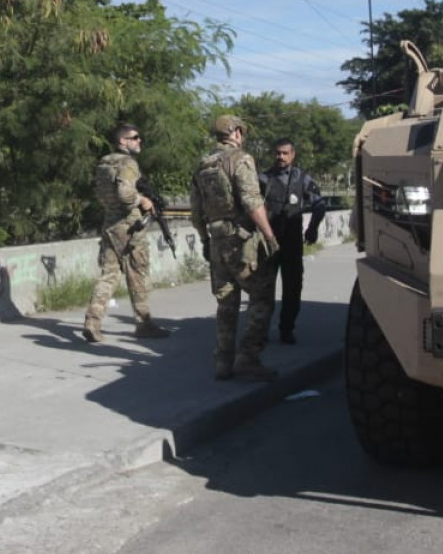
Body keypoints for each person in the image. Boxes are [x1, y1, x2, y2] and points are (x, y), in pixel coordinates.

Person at [190, 114, 280, 381]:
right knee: (261, 298)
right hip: (242, 242)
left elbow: (196, 211)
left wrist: (205, 240)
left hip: (216, 240)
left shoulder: (203, 165)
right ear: (236, 132)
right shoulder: (241, 159)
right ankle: (248, 357)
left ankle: (223, 360)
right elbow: (252, 201)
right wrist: (269, 235)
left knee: (226, 303)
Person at [82, 122, 172, 344]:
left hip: (110, 223)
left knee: (108, 274)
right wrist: (142, 200)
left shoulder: (105, 162)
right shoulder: (128, 163)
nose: (139, 141)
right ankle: (144, 324)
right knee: (137, 273)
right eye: (135, 137)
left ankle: (92, 321)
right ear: (122, 141)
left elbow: (103, 194)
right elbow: (125, 194)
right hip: (130, 226)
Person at [260, 139, 326, 345]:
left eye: (285, 153)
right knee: (263, 291)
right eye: (277, 153)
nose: (280, 157)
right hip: (268, 243)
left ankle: (286, 329)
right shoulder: (263, 179)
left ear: (293, 155)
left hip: (292, 243)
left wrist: (313, 227)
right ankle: (259, 332)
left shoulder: (302, 179)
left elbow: (319, 204)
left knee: (293, 289)